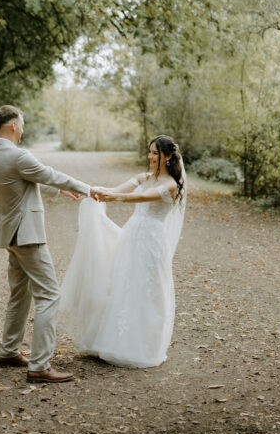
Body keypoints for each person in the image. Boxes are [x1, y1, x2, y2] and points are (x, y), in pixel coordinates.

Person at [0, 105, 93, 383]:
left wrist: (61, 190)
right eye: (21, 123)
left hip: (12, 233)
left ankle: (8, 352)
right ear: (13, 125)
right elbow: (49, 173)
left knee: (20, 294)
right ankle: (40, 366)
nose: (23, 128)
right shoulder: (18, 155)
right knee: (49, 295)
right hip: (27, 235)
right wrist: (88, 189)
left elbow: (26, 180)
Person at [60, 135, 186, 368]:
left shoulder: (171, 185)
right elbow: (114, 190)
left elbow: (139, 197)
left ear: (168, 156)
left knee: (147, 289)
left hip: (152, 241)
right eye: (150, 152)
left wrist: (116, 197)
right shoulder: (143, 177)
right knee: (122, 284)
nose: (150, 156)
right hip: (131, 236)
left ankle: (144, 346)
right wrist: (88, 192)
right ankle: (115, 341)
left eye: (156, 153)